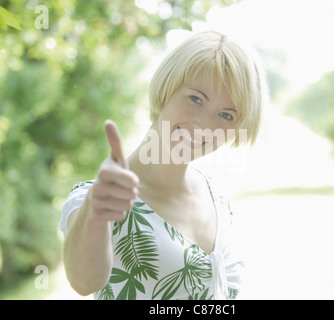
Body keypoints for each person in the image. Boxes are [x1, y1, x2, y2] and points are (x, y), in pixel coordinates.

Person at [60, 30, 268, 300]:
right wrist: (96, 211)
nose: (205, 126)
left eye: (226, 115)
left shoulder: (218, 198)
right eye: (196, 99)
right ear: (167, 87)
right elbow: (83, 281)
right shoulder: (97, 198)